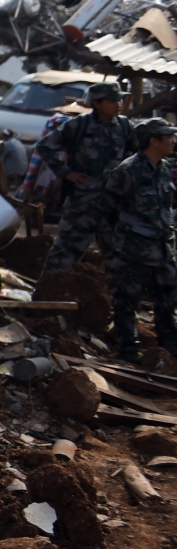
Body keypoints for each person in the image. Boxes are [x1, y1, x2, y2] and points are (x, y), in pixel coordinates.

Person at [100, 119, 177, 361]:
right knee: (127, 302)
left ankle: (168, 347)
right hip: (134, 252)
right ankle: (129, 351)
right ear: (153, 141)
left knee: (167, 301)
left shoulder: (164, 168)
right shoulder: (127, 171)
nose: (174, 141)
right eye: (169, 137)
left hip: (164, 250)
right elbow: (106, 212)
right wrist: (111, 251)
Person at [38, 82, 134, 273]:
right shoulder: (78, 125)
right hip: (82, 204)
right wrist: (67, 173)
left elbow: (140, 153)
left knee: (118, 257)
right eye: (112, 100)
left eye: (120, 99)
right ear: (97, 103)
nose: (118, 103)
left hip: (113, 204)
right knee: (64, 254)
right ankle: (46, 294)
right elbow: (44, 146)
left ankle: (115, 300)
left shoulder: (124, 126)